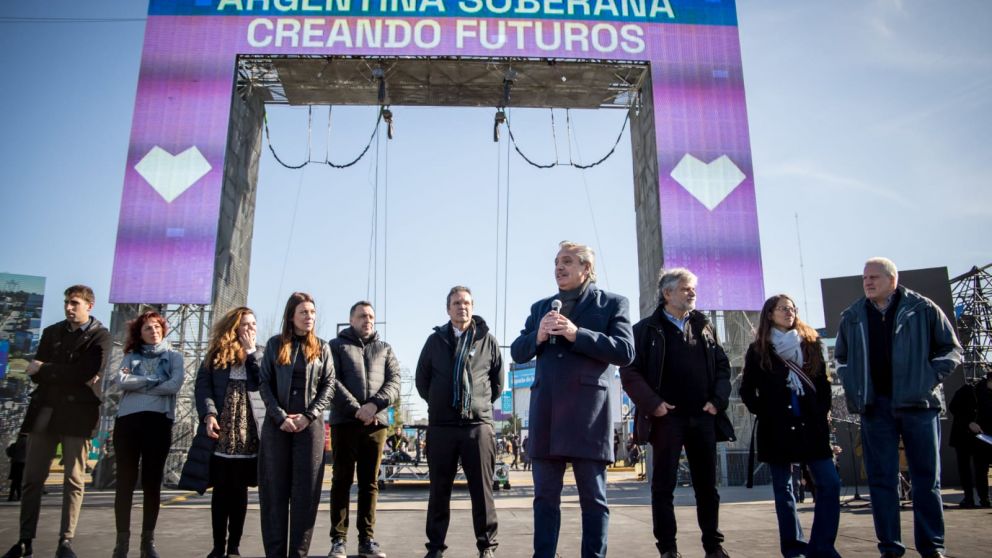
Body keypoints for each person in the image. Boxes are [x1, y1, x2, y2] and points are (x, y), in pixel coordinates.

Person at [511, 241, 634, 558]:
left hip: (587, 416)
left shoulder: (612, 303)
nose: (559, 268)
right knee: (544, 498)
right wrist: (536, 336)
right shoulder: (542, 307)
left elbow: (625, 351)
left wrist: (576, 333)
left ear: (586, 268)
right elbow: (518, 350)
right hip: (547, 415)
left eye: (567, 261)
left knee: (593, 499)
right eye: (555, 262)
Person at [835, 257, 961, 558]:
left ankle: (932, 547)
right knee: (881, 482)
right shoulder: (852, 315)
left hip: (917, 405)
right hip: (874, 407)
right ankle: (890, 548)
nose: (867, 282)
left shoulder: (923, 308)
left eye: (874, 277)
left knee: (926, 479)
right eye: (865, 277)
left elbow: (952, 349)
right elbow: (842, 359)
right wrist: (854, 385)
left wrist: (927, 377)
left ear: (893, 279)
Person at [619, 267, 733, 558]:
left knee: (707, 487)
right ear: (667, 293)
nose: (692, 293)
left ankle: (714, 546)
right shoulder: (644, 330)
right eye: (686, 288)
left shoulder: (705, 326)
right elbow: (630, 372)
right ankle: (668, 550)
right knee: (663, 487)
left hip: (703, 417)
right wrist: (653, 403)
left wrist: (717, 401)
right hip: (666, 419)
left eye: (693, 288)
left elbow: (723, 367)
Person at [3, 285, 111, 558]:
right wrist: (61, 373)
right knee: (31, 480)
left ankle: (65, 542)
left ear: (89, 305)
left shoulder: (100, 336)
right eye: (66, 302)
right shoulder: (52, 333)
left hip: (78, 417)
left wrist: (48, 370)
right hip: (45, 413)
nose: (68, 307)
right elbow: (35, 373)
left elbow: (86, 371)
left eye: (74, 303)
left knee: (74, 480)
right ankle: (25, 540)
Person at [739, 294, 841, 558]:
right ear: (770, 313)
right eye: (783, 308)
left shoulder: (810, 344)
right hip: (777, 428)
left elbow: (823, 385)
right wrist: (765, 412)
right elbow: (747, 390)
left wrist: (820, 412)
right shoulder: (759, 350)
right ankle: (793, 548)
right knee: (784, 491)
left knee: (829, 483)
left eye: (792, 308)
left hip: (811, 426)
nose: (789, 312)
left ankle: (822, 546)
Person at [416, 286, 502, 558]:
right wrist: (440, 402)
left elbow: (497, 382)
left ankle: (486, 547)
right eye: (455, 303)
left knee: (482, 492)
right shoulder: (435, 341)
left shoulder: (488, 341)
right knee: (439, 491)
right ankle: (436, 548)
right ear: (448, 309)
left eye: (465, 302)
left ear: (472, 307)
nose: (461, 307)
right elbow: (422, 380)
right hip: (442, 427)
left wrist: (477, 404)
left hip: (477, 427)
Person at [178, 306, 265, 558]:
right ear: (234, 327)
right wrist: (209, 414)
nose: (251, 329)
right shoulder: (215, 355)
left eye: (253, 324)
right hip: (221, 430)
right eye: (245, 324)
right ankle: (218, 546)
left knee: (239, 491)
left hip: (248, 431)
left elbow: (263, 383)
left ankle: (234, 547)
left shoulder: (259, 353)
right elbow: (202, 388)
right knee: (221, 491)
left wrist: (249, 352)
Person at [257, 292, 335, 558]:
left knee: (305, 496)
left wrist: (309, 415)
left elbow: (329, 385)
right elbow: (264, 382)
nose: (309, 317)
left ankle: (298, 554)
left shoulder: (323, 347)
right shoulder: (274, 344)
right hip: (277, 427)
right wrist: (279, 416)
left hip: (309, 427)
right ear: (291, 316)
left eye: (312, 312)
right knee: (274, 494)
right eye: (303, 312)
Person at [108, 311, 185, 558]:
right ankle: (121, 543)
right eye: (147, 328)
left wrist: (138, 382)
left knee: (152, 482)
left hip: (158, 422)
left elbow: (174, 385)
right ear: (139, 333)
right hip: (128, 422)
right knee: (125, 482)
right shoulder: (130, 356)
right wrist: (152, 380)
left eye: (157, 327)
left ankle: (147, 542)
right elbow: (120, 380)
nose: (153, 331)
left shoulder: (174, 356)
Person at [328, 301, 401, 558]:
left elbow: (394, 382)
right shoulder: (336, 346)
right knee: (341, 480)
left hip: (375, 425)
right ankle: (338, 540)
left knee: (370, 483)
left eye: (370, 316)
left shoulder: (385, 349)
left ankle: (366, 539)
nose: (367, 320)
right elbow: (331, 380)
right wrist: (356, 409)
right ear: (351, 320)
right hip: (345, 423)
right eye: (362, 316)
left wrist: (374, 405)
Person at [949, 366, 992, 508]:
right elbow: (953, 407)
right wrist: (969, 422)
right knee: (965, 468)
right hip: (964, 436)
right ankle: (968, 498)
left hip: (982, 438)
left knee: (982, 468)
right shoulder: (969, 390)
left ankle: (984, 498)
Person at [5, 433, 27, 502]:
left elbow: (9, 452)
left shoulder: (14, 444)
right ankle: (19, 496)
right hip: (23, 463)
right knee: (19, 480)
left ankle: (12, 496)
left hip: (15, 463)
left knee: (15, 481)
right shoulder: (28, 443)